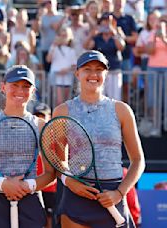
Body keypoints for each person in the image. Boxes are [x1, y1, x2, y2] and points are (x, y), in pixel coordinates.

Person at [54, 50, 145, 228]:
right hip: (76, 197)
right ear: (77, 73)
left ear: (106, 74)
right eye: (87, 69)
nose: (93, 74)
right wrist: (70, 181)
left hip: (113, 196)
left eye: (99, 69)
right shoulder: (62, 111)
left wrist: (119, 193)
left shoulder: (122, 110)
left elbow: (138, 160)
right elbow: (58, 161)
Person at [0, 65, 55, 227]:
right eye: (15, 85)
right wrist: (2, 184)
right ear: (3, 87)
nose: (20, 91)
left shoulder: (42, 126)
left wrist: (27, 186)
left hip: (30, 202)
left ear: (33, 91)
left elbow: (51, 174)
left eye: (25, 86)